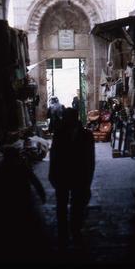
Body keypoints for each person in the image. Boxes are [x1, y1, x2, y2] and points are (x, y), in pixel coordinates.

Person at [49, 107, 95, 249]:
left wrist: (88, 179)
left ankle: (75, 231)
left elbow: (90, 159)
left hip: (79, 176)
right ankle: (63, 233)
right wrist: (52, 173)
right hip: (62, 175)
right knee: (61, 205)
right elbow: (54, 154)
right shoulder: (59, 134)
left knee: (77, 205)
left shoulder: (87, 135)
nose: (66, 120)